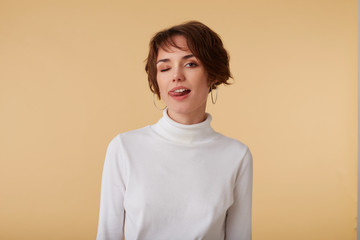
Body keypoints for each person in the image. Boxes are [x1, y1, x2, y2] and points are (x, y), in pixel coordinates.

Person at [96, 20, 253, 240]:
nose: (176, 76)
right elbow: (108, 235)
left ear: (213, 75)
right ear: (156, 81)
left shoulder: (237, 155)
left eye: (190, 64)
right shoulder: (124, 148)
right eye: (165, 67)